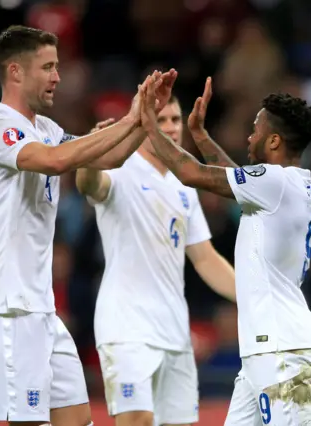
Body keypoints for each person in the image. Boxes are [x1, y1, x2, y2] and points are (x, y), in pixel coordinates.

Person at [0, 25, 168, 426]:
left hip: (41, 308)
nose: (58, 76)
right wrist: (127, 120)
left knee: (77, 420)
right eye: (48, 67)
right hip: (8, 308)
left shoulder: (47, 129)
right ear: (16, 72)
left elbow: (105, 159)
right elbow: (55, 161)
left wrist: (143, 120)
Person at [139, 74, 311, 426]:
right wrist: (201, 136)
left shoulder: (276, 183)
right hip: (264, 348)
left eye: (256, 129)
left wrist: (148, 122)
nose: (249, 136)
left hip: (279, 347)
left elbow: (192, 173)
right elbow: (235, 178)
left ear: (273, 140)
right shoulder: (291, 186)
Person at [75, 81, 236, 426]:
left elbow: (205, 258)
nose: (171, 128)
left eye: (175, 119)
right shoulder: (120, 168)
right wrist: (90, 155)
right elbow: (90, 185)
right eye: (159, 120)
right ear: (141, 124)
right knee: (137, 421)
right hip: (127, 326)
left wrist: (254, 297)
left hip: (174, 331)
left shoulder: (184, 184)